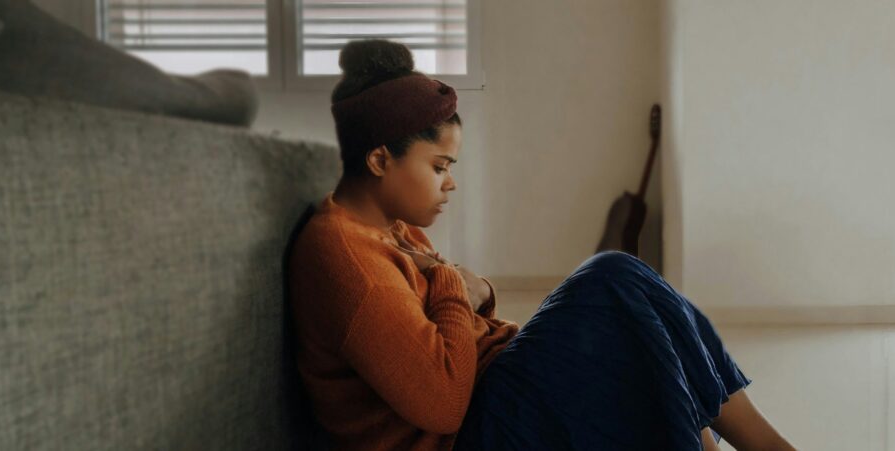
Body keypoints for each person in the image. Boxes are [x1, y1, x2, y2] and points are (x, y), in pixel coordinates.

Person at [286, 39, 796, 451]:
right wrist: (447, 280)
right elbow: (441, 404)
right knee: (612, 280)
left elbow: (463, 311)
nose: (450, 184)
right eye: (439, 167)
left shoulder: (392, 227)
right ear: (378, 161)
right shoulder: (347, 258)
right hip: (469, 432)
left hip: (493, 394)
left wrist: (478, 291)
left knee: (624, 302)